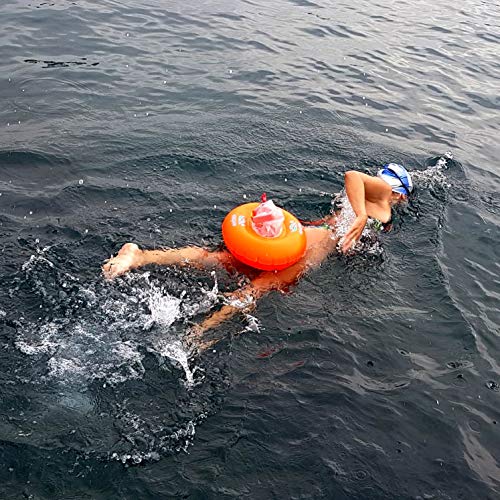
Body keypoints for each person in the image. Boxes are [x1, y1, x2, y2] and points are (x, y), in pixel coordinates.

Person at [103, 164, 413, 351]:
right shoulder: (384, 199)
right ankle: (198, 333)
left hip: (301, 236)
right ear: (401, 194)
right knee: (258, 289)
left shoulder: (374, 198)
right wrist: (361, 217)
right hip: (308, 249)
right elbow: (352, 176)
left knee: (219, 259)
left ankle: (141, 257)